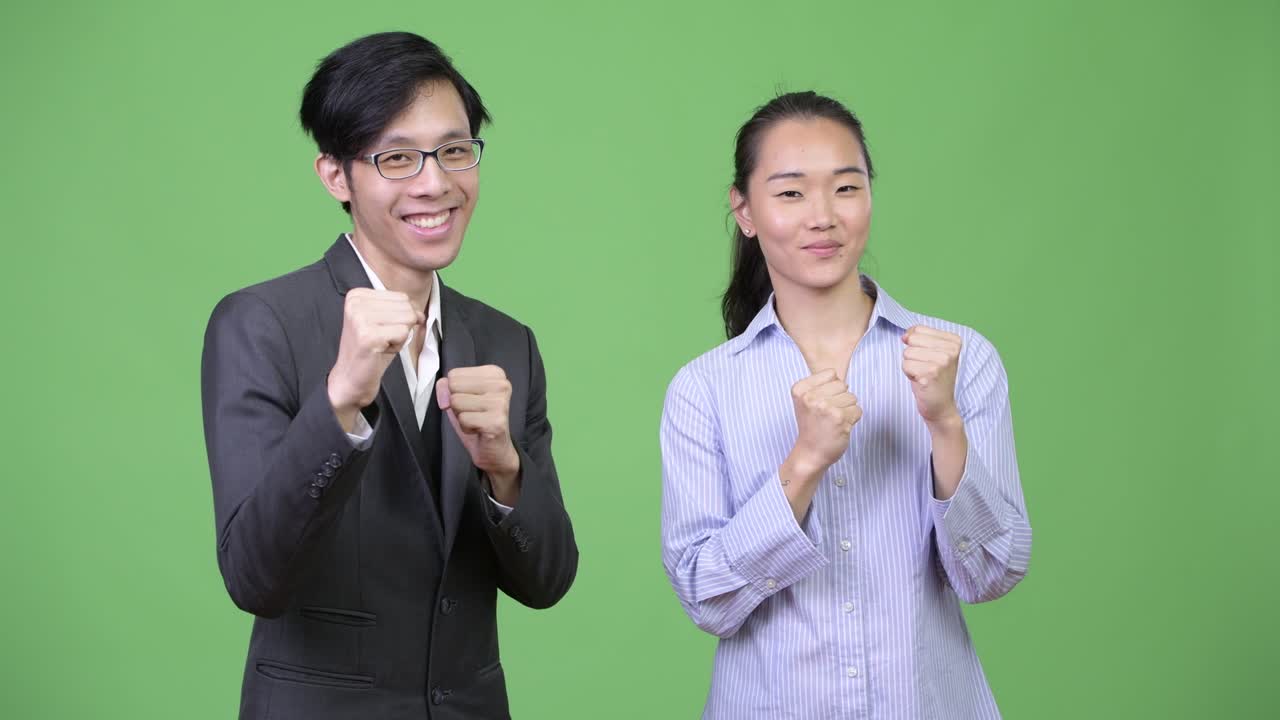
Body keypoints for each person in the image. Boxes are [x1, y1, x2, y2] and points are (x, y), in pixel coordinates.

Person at [201, 31, 577, 719]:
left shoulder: (505, 342)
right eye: (396, 158)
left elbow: (549, 578)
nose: (435, 183)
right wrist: (339, 402)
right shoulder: (260, 324)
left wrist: (504, 468)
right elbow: (254, 577)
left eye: (455, 151)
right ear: (336, 176)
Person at [660, 91, 1031, 719]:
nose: (823, 217)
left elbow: (990, 575)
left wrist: (944, 423)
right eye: (790, 192)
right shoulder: (704, 390)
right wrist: (802, 465)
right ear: (744, 211)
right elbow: (706, 599)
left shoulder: (960, 359)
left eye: (846, 188)